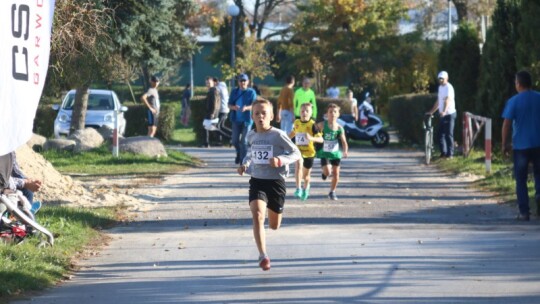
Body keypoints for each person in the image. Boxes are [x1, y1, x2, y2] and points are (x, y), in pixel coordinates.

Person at [237, 99, 301, 271]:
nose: (260, 116)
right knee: (257, 214)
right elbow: (250, 154)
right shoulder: (251, 135)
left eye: (264, 113)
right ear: (252, 116)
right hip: (257, 181)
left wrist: (280, 160)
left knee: (274, 225)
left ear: (271, 116)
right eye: (257, 113)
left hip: (276, 183)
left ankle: (272, 225)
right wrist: (244, 164)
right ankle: (263, 255)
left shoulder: (278, 135)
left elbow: (296, 153)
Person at [501, 70, 540, 221]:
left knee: (521, 179)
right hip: (539, 144)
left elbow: (506, 124)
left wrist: (504, 144)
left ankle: (524, 212)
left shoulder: (514, 101)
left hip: (521, 146)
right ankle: (538, 194)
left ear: (518, 84)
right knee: (539, 173)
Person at [289, 103, 322, 201]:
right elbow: (293, 133)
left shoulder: (313, 125)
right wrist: (284, 140)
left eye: (307, 111)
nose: (304, 113)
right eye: (302, 111)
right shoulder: (297, 122)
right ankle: (298, 188)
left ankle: (305, 188)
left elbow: (320, 139)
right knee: (298, 165)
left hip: (309, 153)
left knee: (306, 176)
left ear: (311, 113)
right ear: (299, 112)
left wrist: (311, 138)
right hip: (298, 151)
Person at [316, 103, 348, 200]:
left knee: (336, 174)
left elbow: (344, 142)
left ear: (338, 114)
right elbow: (313, 130)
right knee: (328, 172)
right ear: (327, 114)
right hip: (324, 152)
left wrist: (345, 151)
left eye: (335, 112)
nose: (332, 114)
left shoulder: (339, 128)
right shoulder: (322, 125)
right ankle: (324, 173)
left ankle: (332, 191)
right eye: (330, 112)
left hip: (335, 153)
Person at [426, 71, 457, 158]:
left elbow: (448, 100)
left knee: (449, 134)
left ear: (446, 78)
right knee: (440, 135)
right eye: (439, 79)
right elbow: (439, 101)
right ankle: (443, 153)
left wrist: (444, 111)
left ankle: (450, 154)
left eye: (442, 79)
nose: (440, 81)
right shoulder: (440, 88)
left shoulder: (449, 87)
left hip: (450, 114)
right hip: (443, 115)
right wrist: (432, 111)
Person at [228, 73, 257, 164]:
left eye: (244, 81)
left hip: (247, 120)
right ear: (238, 82)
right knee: (234, 140)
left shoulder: (251, 92)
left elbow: (254, 105)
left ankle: (242, 160)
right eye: (241, 81)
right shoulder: (234, 92)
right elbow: (229, 105)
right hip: (236, 119)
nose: (242, 83)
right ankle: (238, 152)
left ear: (248, 82)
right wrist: (234, 107)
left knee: (244, 141)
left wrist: (246, 108)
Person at [202, 77, 221, 147]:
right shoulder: (211, 91)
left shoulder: (213, 91)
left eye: (209, 83)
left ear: (213, 83)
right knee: (208, 127)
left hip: (211, 112)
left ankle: (207, 143)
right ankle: (207, 142)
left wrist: (212, 113)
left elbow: (215, 103)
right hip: (210, 111)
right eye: (207, 83)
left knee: (208, 127)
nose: (208, 84)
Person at [214, 77, 231, 143]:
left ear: (215, 82)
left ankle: (231, 137)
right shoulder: (223, 86)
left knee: (216, 126)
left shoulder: (219, 87)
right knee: (221, 126)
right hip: (225, 109)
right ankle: (219, 141)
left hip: (222, 109)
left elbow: (213, 90)